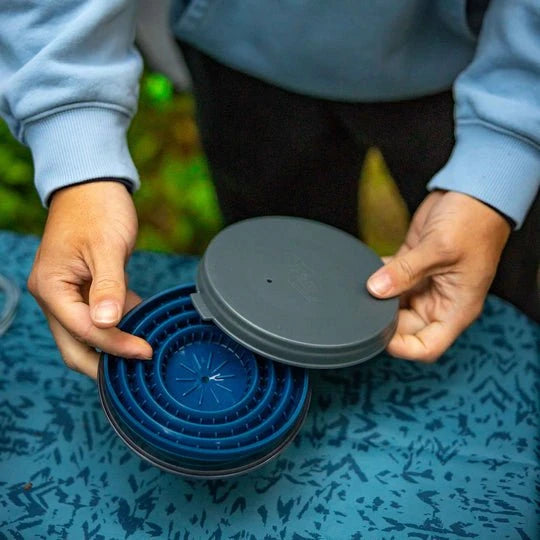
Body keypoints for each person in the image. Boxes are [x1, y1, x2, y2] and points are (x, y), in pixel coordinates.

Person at [0, 1, 538, 379]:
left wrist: (501, 158)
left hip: (471, 68)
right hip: (243, 61)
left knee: (475, 290)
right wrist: (78, 159)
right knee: (268, 303)